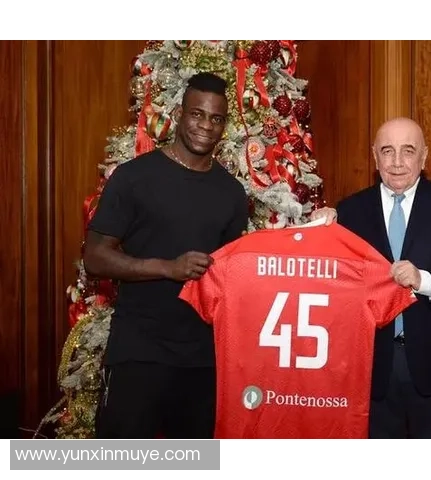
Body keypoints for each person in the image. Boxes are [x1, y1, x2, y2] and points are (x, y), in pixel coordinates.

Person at [84, 72, 335, 439]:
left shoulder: (231, 193)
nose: (206, 126)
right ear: (179, 114)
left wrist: (306, 240)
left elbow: (231, 271)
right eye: (197, 114)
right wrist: (168, 268)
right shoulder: (134, 178)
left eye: (216, 119)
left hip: (202, 360)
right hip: (139, 352)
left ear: (224, 125)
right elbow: (95, 257)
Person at [333, 117, 431, 439]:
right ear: (374, 156)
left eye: (408, 151)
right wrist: (320, 230)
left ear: (424, 156)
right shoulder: (349, 211)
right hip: (371, 368)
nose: (397, 162)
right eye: (387, 151)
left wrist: (424, 281)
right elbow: (333, 283)